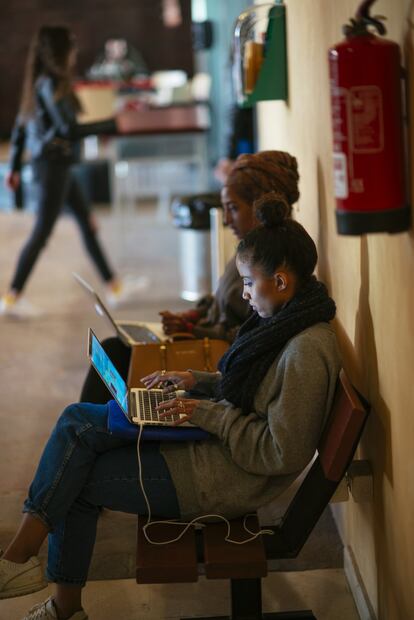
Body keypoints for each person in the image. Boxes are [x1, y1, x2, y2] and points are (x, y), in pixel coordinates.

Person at [0, 193, 341, 620]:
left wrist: (199, 411)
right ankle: (37, 570)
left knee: (76, 456)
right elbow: (253, 390)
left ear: (282, 281)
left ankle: (29, 566)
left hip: (220, 478)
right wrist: (194, 382)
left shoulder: (307, 349)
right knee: (77, 431)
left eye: (249, 283)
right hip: (212, 454)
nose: (247, 295)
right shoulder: (288, 322)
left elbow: (279, 452)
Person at [79, 149, 300, 404]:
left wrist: (193, 330)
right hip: (204, 341)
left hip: (216, 362)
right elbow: (219, 298)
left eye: (233, 209)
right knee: (114, 350)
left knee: (114, 356)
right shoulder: (249, 248)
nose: (226, 220)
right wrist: (193, 315)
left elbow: (248, 336)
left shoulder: (269, 265)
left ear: (259, 205)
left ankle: (98, 429)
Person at [0, 25, 146, 318]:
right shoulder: (51, 83)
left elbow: (20, 126)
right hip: (52, 166)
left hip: (58, 165)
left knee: (86, 222)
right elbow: (69, 130)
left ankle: (113, 286)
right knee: (42, 231)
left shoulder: (41, 82)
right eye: (71, 46)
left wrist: (14, 166)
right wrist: (114, 124)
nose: (75, 52)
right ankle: (12, 298)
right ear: (60, 51)